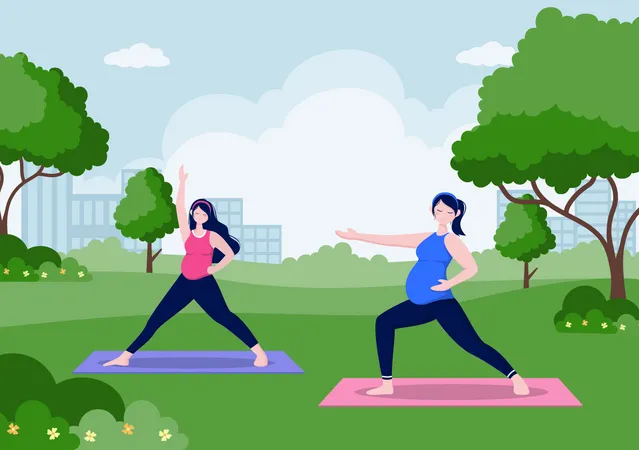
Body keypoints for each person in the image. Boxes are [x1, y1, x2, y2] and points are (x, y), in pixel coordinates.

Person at [335, 192, 529, 396]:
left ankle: (515, 378)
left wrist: (450, 283)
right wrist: (357, 236)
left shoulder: (451, 241)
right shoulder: (425, 238)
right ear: (432, 210)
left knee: (472, 344)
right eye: (439, 210)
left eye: (448, 211)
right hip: (420, 304)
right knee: (384, 322)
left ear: (456, 213)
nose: (443, 214)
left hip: (441, 303)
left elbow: (471, 268)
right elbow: (391, 240)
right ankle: (386, 384)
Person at [104, 165, 268, 368]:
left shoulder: (213, 236)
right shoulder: (187, 233)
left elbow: (230, 253)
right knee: (157, 318)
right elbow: (178, 207)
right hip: (184, 282)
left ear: (208, 217)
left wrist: (214, 269)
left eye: (203, 214)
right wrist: (182, 184)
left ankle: (260, 353)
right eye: (197, 213)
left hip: (204, 284)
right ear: (193, 214)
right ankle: (125, 356)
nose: (199, 216)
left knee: (225, 317)